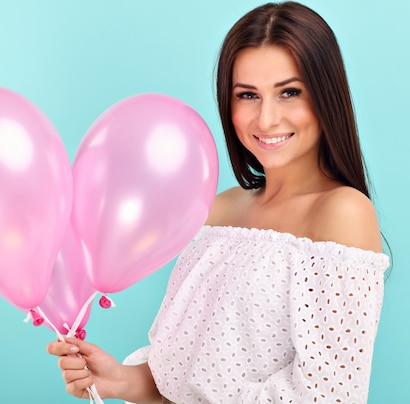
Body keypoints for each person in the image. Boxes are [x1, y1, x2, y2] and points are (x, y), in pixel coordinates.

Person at [47, 2, 389, 403]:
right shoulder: (220, 211)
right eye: (247, 95)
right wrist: (122, 380)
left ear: (325, 96)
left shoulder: (341, 213)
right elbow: (184, 379)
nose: (266, 119)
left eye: (289, 92)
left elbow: (330, 396)